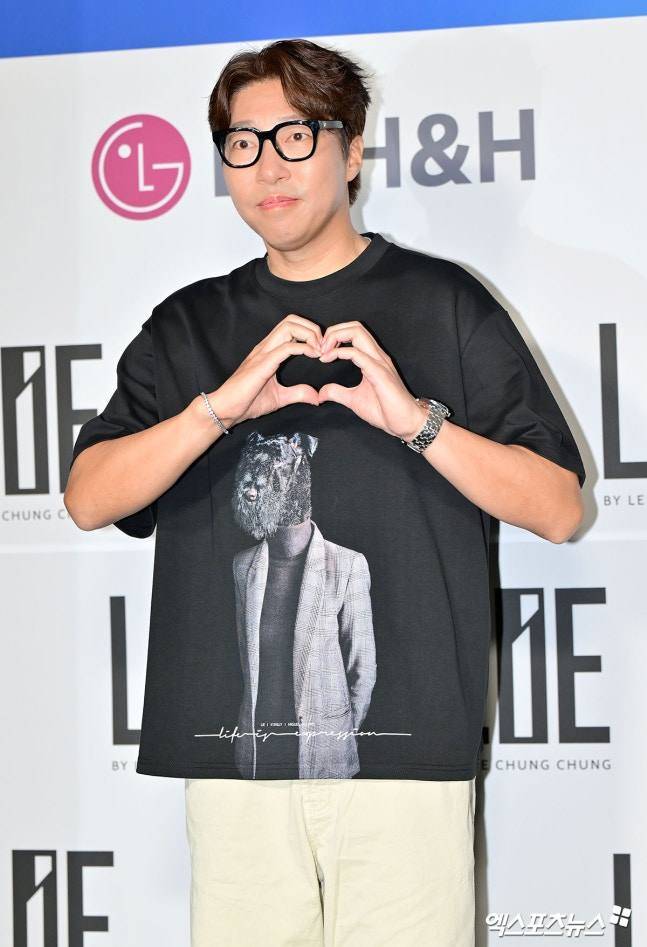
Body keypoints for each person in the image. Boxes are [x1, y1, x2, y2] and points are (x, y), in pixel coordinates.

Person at [65, 37, 586, 947]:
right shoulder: (188, 325)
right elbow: (87, 496)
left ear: (352, 150)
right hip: (234, 767)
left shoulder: (445, 303)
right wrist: (216, 410)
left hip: (404, 766)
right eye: (242, 143)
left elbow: (558, 506)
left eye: (296, 137)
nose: (268, 167)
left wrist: (415, 421)